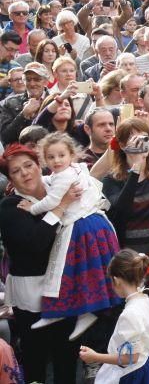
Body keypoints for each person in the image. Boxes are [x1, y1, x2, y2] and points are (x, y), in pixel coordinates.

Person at [0, 143, 82, 384]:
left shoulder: (57, 185)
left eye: (29, 165)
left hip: (66, 288)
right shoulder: (9, 207)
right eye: (16, 171)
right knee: (36, 359)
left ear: (39, 165)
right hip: (32, 296)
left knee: (67, 357)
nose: (25, 173)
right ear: (11, 179)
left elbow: (91, 175)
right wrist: (62, 206)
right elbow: (36, 242)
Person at [27, 132, 120, 340]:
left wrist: (31, 209)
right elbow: (49, 179)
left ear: (72, 155)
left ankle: (85, 312)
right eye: (51, 157)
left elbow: (51, 202)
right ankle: (59, 311)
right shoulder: (69, 171)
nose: (56, 160)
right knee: (71, 273)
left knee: (72, 272)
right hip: (87, 225)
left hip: (83, 227)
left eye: (61, 155)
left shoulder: (67, 175)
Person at [78, 250, 149, 384]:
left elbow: (130, 358)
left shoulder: (129, 314)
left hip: (132, 374)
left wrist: (94, 357)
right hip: (148, 365)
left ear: (116, 280)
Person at [101, 119, 149, 254]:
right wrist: (136, 168)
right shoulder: (111, 179)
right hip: (126, 251)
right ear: (123, 145)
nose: (141, 144)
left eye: (144, 139)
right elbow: (120, 210)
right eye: (135, 140)